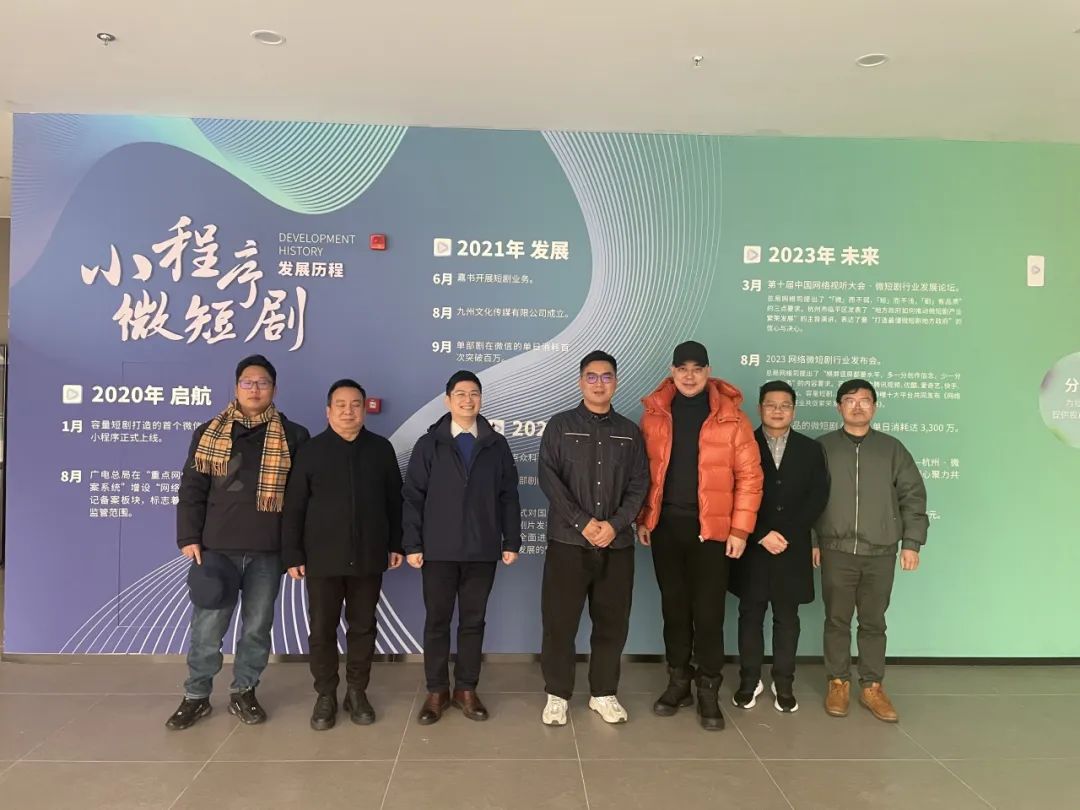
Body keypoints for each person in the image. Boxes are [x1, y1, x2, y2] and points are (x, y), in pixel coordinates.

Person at [167, 355, 309, 730]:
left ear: (274, 389)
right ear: (236, 387)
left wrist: (295, 550)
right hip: (216, 549)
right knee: (207, 629)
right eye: (248, 382)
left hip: (268, 551)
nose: (254, 389)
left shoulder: (294, 435)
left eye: (262, 382)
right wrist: (188, 536)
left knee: (257, 628)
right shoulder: (209, 432)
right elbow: (192, 487)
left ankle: (244, 691)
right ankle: (196, 696)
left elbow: (301, 500)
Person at [637, 340, 763, 731]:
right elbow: (643, 473)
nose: (689, 376)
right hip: (666, 529)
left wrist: (740, 529)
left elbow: (750, 477)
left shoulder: (733, 418)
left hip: (713, 531)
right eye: (682, 369)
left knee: (708, 613)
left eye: (697, 368)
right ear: (672, 372)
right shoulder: (654, 415)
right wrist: (644, 518)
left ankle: (709, 686)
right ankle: (679, 681)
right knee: (674, 609)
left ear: (708, 372)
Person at [282, 379, 404, 730]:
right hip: (321, 558)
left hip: (369, 554)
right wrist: (292, 554)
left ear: (364, 409)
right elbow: (294, 507)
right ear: (328, 411)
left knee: (363, 626)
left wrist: (396, 543)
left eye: (355, 404)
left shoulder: (381, 449)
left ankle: (356, 691)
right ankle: (325, 694)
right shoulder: (311, 451)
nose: (348, 411)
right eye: (341, 405)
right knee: (322, 629)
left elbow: (395, 501)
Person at [403, 371, 521, 725]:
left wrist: (511, 540)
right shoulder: (430, 444)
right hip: (437, 551)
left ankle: (466, 689)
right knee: (437, 622)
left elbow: (508, 496)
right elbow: (413, 497)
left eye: (474, 394)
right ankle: (437, 690)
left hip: (482, 550)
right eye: (460, 394)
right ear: (447, 400)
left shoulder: (496, 445)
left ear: (481, 399)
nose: (468, 400)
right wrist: (413, 543)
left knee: (473, 622)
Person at [538, 351, 649, 726]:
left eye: (606, 377)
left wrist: (614, 525)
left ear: (615, 382)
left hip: (616, 545)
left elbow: (639, 485)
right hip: (568, 543)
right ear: (580, 381)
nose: (599, 383)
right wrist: (582, 522)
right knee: (560, 622)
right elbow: (549, 478)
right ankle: (557, 694)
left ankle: (603, 693)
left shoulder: (629, 432)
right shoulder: (560, 426)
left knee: (612, 623)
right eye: (591, 376)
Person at [816, 379, 928, 723]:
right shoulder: (822, 448)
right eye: (850, 400)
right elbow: (807, 498)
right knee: (836, 620)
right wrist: (812, 541)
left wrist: (911, 543)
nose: (858, 406)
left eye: (865, 400)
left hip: (880, 551)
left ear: (874, 407)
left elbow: (913, 496)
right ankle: (838, 682)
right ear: (839, 407)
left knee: (873, 622)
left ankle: (872, 686)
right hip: (836, 549)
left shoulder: (892, 449)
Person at [729, 381, 828, 713]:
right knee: (750, 615)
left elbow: (818, 496)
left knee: (787, 618)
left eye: (785, 405)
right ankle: (749, 680)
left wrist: (787, 533)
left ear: (793, 411)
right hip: (753, 545)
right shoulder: (743, 443)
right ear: (759, 408)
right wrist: (760, 533)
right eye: (771, 404)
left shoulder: (810, 449)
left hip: (791, 546)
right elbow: (731, 492)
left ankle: (783, 682)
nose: (777, 410)